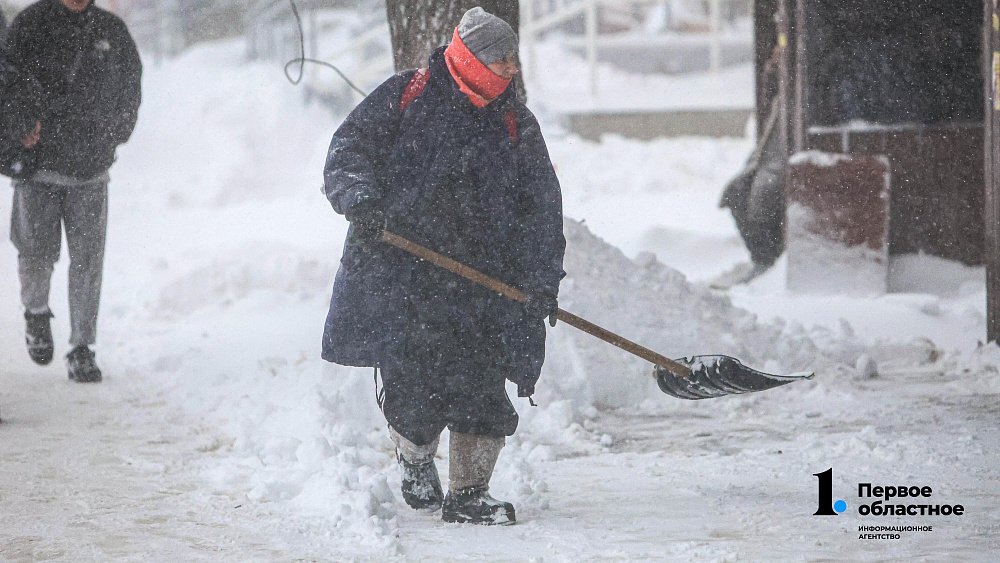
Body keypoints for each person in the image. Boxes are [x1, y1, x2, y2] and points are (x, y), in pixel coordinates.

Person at [321, 7, 565, 525]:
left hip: (484, 285)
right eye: (502, 58)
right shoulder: (407, 95)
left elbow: (541, 207)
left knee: (481, 385)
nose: (512, 68)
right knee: (413, 385)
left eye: (514, 58)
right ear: (471, 58)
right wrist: (361, 200)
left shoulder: (514, 122)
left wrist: (541, 279)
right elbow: (348, 150)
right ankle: (414, 458)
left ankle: (470, 491)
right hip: (407, 275)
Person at [5, 0, 142, 382]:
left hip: (91, 169)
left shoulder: (110, 31)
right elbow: (7, 81)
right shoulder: (30, 24)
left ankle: (82, 347)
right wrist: (18, 132)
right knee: (35, 254)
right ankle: (35, 312)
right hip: (38, 168)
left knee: (87, 261)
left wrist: (114, 134)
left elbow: (131, 86)